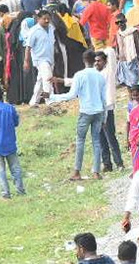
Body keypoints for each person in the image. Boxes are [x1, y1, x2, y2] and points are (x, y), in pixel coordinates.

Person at [49, 49, 109, 180]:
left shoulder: (79, 75)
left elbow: (71, 95)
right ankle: (96, 172)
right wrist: (105, 117)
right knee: (96, 141)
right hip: (98, 111)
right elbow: (104, 99)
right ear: (94, 61)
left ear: (83, 60)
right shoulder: (100, 76)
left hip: (85, 112)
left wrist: (52, 97)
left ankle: (77, 172)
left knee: (80, 141)